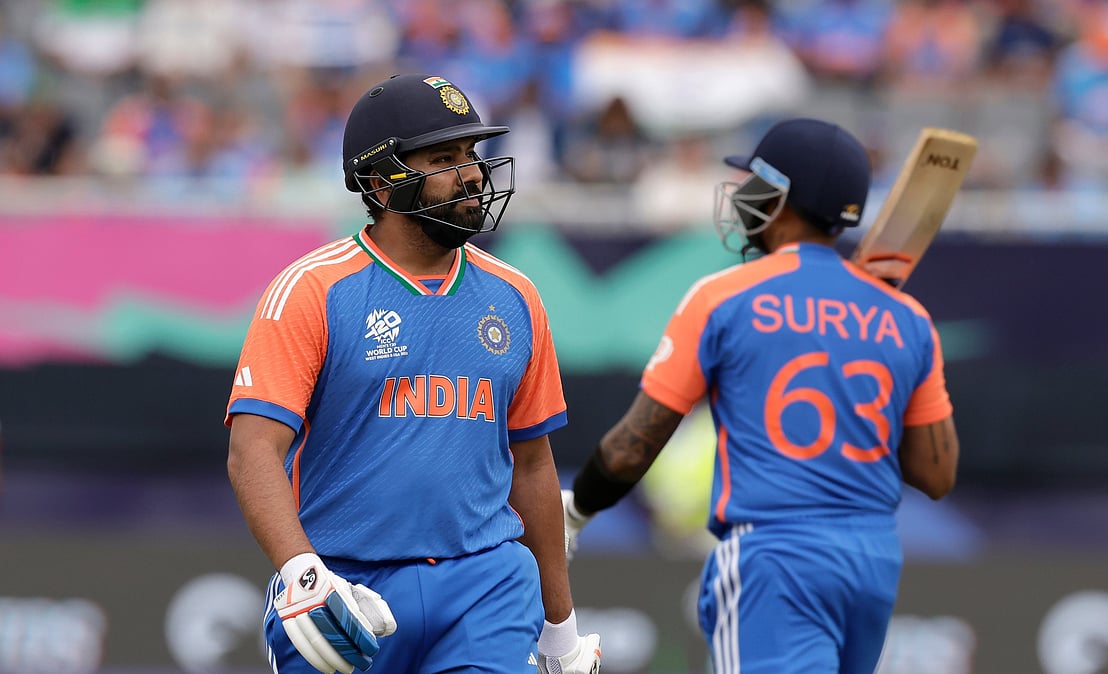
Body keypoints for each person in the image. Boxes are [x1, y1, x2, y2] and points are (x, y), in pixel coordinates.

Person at [225, 73, 601, 674]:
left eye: (471, 153)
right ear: (380, 181)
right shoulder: (312, 290)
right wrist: (303, 574)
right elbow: (253, 451)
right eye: (444, 159)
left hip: (487, 585)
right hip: (346, 587)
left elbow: (532, 465)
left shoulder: (517, 296)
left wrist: (561, 629)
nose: (472, 174)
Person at [561, 118, 959, 674]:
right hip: (872, 561)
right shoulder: (906, 318)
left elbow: (633, 447)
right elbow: (936, 475)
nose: (744, 193)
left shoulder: (724, 296)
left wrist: (577, 509)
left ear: (783, 197)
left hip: (772, 556)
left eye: (755, 181)